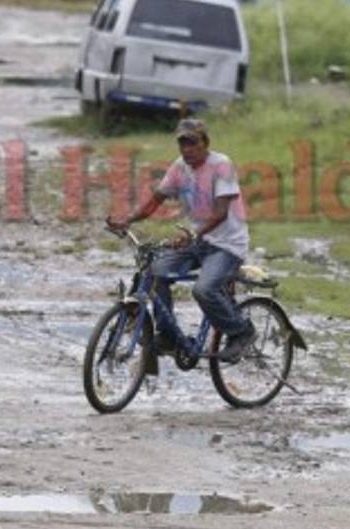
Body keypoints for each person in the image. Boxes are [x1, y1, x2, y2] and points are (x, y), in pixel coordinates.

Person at [107, 117, 255, 363]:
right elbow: (156, 199)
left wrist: (194, 236)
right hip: (198, 242)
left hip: (226, 246)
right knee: (155, 272)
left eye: (192, 143)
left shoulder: (222, 165)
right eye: (182, 144)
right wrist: (129, 220)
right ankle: (167, 335)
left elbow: (220, 213)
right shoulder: (179, 167)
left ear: (205, 143)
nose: (186, 149)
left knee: (204, 290)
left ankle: (241, 332)